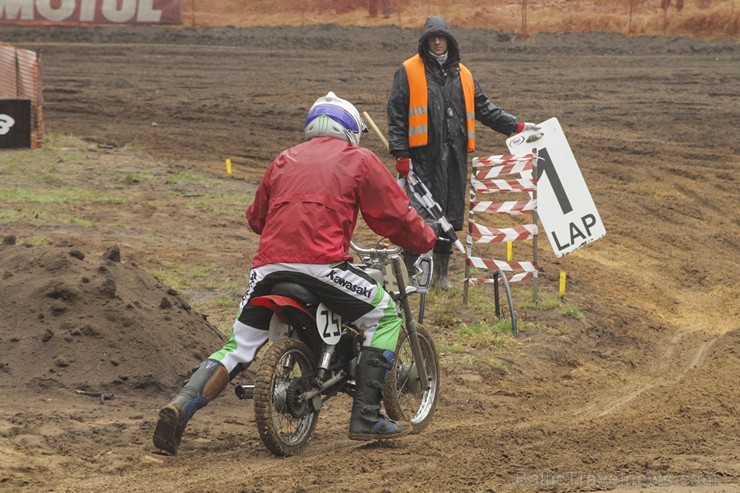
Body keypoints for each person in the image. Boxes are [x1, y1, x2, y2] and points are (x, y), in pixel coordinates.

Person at [152, 92, 437, 455]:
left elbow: (256, 219)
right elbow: (394, 216)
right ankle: (366, 415)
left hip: (268, 268)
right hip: (321, 264)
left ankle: (180, 405)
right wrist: (425, 239)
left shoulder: (284, 159)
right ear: (351, 131)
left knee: (238, 347)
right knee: (383, 316)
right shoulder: (358, 159)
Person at [387, 16, 540, 290]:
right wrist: (401, 155)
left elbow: (484, 108)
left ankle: (440, 276)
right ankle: (409, 274)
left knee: (449, 214)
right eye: (432, 37)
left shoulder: (464, 75)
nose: (436, 42)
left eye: (441, 37)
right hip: (422, 159)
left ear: (449, 40)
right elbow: (396, 115)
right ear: (424, 41)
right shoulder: (408, 71)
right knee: (419, 217)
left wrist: (515, 126)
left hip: (455, 158)